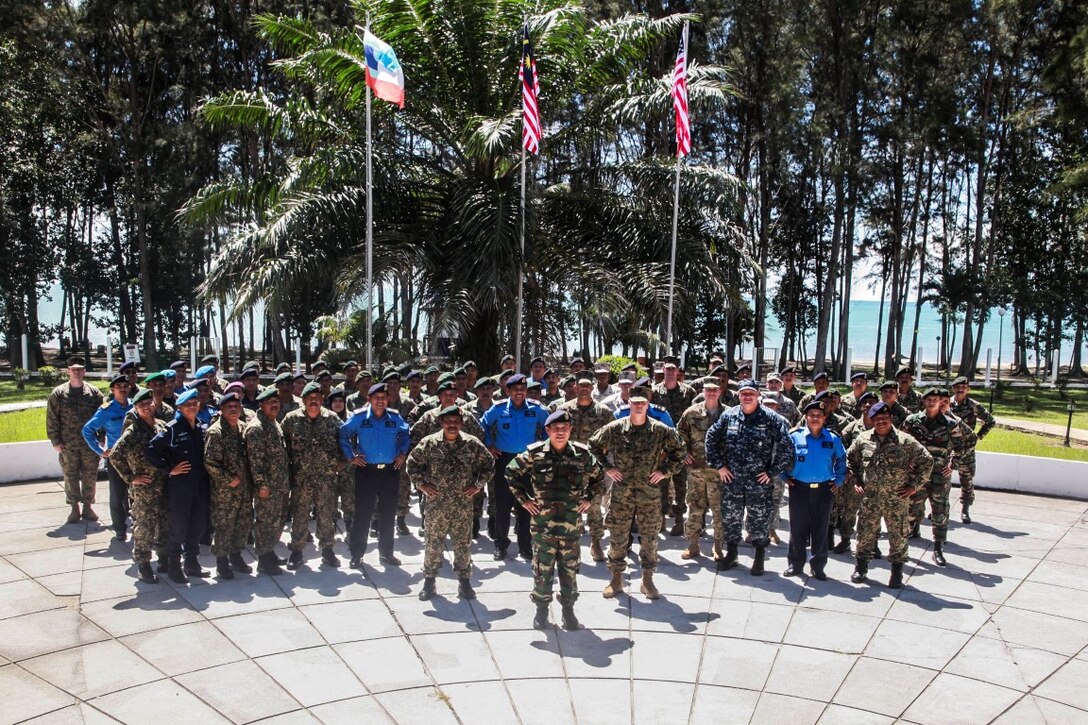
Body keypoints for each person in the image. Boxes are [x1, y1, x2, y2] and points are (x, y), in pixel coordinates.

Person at [508, 409, 604, 629]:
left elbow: (599, 478)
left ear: (570, 430)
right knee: (543, 569)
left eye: (565, 429)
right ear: (547, 430)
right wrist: (524, 500)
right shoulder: (534, 454)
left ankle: (568, 611)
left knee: (569, 569)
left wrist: (589, 498)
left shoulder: (582, 454)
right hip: (543, 526)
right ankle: (541, 610)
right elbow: (510, 472)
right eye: (556, 429)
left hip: (571, 525)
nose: (560, 433)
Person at [588, 384, 686, 600]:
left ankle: (647, 579)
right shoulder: (615, 428)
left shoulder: (660, 430)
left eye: (643, 403)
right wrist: (608, 467)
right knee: (617, 537)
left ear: (648, 404)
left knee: (650, 538)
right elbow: (592, 446)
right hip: (621, 495)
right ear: (629, 404)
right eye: (635, 403)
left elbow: (680, 450)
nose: (639, 406)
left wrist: (665, 471)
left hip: (649, 495)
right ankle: (615, 579)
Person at [706, 380, 795, 576]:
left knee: (759, 521)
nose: (747, 396)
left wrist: (772, 472)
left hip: (758, 483)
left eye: (751, 393)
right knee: (731, 520)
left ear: (758, 396)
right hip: (732, 481)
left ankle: (759, 557)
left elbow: (787, 447)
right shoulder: (729, 416)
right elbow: (711, 438)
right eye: (743, 393)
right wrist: (719, 466)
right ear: (738, 395)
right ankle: (732, 554)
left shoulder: (770, 418)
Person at [407, 405, 493, 601]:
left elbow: (489, 465)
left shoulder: (472, 444)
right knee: (433, 545)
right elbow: (411, 464)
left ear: (462, 423)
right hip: (436, 505)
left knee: (463, 545)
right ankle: (429, 582)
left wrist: (478, 485)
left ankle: (464, 583)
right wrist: (422, 485)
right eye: (448, 422)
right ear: (441, 423)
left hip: (463, 505)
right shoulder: (429, 443)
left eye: (456, 422)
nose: (452, 425)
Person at [848, 402, 933, 588]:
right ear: (872, 420)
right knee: (864, 534)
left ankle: (896, 573)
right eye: (877, 419)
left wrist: (914, 486)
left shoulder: (905, 441)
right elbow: (850, 460)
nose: (881, 422)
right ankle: (861, 567)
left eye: (884, 419)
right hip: (870, 498)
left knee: (898, 536)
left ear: (890, 419)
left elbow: (927, 461)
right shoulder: (863, 440)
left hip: (897, 498)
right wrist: (856, 481)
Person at [340, 382, 410, 569]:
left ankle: (386, 553)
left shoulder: (395, 418)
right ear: (369, 399)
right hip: (366, 471)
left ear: (388, 400)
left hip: (390, 472)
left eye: (384, 398)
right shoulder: (359, 418)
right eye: (376, 398)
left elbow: (405, 434)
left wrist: (403, 453)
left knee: (388, 514)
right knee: (362, 514)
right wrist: (350, 456)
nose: (380, 401)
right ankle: (357, 554)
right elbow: (343, 434)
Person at [146, 388, 211, 584]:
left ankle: (192, 562)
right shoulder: (172, 428)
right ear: (180, 408)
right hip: (181, 486)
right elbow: (151, 450)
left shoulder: (202, 426)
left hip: (200, 485)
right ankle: (174, 566)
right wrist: (169, 468)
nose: (192, 407)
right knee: (179, 527)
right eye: (187, 405)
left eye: (194, 404)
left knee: (197, 525)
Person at [480, 374, 547, 561]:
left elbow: (550, 427)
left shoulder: (537, 409)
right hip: (505, 460)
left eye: (523, 389)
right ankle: (501, 544)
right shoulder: (499, 409)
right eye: (515, 389)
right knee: (502, 505)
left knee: (527, 505)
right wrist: (489, 444)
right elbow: (483, 425)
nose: (519, 392)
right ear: (507, 391)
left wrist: (543, 446)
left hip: (528, 461)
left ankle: (525, 546)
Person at [901, 388, 968, 566]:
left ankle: (938, 548)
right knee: (910, 509)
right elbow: (901, 443)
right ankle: (903, 545)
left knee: (940, 512)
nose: (932, 403)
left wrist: (952, 465)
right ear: (924, 401)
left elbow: (961, 447)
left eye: (936, 400)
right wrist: (906, 462)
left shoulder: (950, 423)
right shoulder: (912, 421)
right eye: (929, 399)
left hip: (939, 476)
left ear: (941, 402)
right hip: (917, 476)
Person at [282, 382, 344, 570]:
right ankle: (297, 551)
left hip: (326, 479)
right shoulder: (291, 420)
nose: (314, 401)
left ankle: (327, 551)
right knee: (299, 516)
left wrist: (342, 461)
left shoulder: (333, 419)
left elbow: (347, 441)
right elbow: (282, 446)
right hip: (301, 479)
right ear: (303, 400)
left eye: (317, 398)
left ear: (322, 399)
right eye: (310, 398)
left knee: (326, 516)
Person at [782, 401, 847, 580]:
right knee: (797, 528)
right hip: (799, 488)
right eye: (811, 415)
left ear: (824, 418)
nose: (815, 418)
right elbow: (781, 455)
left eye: (819, 415)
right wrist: (784, 476)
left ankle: (818, 566)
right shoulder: (794, 436)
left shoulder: (832, 439)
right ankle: (795, 564)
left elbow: (842, 460)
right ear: (806, 417)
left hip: (824, 489)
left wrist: (839, 479)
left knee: (820, 528)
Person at [110, 389, 169, 582]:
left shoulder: (161, 426)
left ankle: (163, 559)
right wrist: (130, 477)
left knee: (163, 523)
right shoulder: (133, 431)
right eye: (141, 405)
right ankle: (143, 564)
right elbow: (115, 455)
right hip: (144, 488)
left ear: (153, 403)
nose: (146, 407)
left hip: (163, 484)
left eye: (148, 403)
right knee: (144, 526)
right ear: (135, 408)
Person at [556, 373, 614, 562]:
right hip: (569, 467)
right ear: (575, 388)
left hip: (593, 467)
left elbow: (612, 435)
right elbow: (554, 431)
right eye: (581, 386)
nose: (584, 389)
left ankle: (596, 542)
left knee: (595, 506)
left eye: (588, 386)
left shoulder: (603, 412)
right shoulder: (564, 410)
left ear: (592, 388)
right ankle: (572, 545)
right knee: (572, 506)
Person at [46, 357, 104, 524]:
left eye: (80, 369)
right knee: (70, 475)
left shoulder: (94, 393)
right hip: (68, 443)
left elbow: (101, 417)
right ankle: (74, 508)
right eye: (73, 369)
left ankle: (87, 507)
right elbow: (52, 418)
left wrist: (101, 438)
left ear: (84, 371)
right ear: (68, 372)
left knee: (90, 475)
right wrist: (55, 440)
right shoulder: (58, 394)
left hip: (89, 443)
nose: (77, 372)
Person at [203, 391, 253, 579]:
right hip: (225, 491)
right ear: (222, 410)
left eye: (236, 406)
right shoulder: (216, 432)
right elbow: (209, 462)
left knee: (242, 523)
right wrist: (227, 478)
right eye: (229, 407)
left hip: (244, 489)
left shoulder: (244, 428)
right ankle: (222, 561)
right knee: (224, 526)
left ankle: (236, 555)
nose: (233, 409)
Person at [676, 379, 727, 561]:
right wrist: (684, 453)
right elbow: (679, 435)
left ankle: (718, 546)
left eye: (714, 390)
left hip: (718, 473)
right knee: (695, 508)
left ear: (720, 391)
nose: (711, 393)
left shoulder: (728, 414)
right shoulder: (691, 413)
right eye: (708, 390)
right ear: (703, 391)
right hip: (696, 471)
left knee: (719, 509)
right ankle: (693, 545)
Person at [81, 375, 133, 540]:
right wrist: (100, 451)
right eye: (119, 387)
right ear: (113, 390)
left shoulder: (135, 406)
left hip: (135, 458)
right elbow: (87, 430)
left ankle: (138, 525)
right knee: (117, 495)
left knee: (137, 494)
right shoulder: (106, 410)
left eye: (125, 386)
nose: (123, 389)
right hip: (116, 459)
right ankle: (120, 528)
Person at [245, 388, 290, 575]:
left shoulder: (273, 422)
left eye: (276, 402)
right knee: (265, 522)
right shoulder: (257, 428)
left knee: (277, 521)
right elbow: (255, 462)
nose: (274, 405)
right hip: (267, 486)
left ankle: (269, 552)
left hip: (280, 483)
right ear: (261, 404)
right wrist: (262, 484)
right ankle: (263, 559)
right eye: (270, 402)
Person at [831, 392, 878, 556]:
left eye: (872, 403)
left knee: (873, 513)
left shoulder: (882, 428)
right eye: (865, 403)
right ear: (860, 406)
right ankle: (845, 540)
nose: (868, 405)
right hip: (853, 477)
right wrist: (846, 471)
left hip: (875, 478)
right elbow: (840, 450)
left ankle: (873, 543)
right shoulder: (851, 427)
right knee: (849, 511)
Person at [652, 360, 696, 537]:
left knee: (680, 484)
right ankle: (661, 518)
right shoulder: (654, 392)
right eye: (667, 369)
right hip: (662, 446)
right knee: (660, 483)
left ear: (677, 371)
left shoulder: (688, 392)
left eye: (673, 369)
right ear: (663, 370)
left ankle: (679, 519)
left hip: (681, 446)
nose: (670, 371)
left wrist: (688, 449)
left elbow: (692, 421)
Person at [949, 376, 995, 523]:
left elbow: (990, 421)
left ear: (968, 389)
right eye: (957, 387)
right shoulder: (946, 403)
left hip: (966, 448)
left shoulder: (974, 406)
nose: (960, 389)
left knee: (966, 480)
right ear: (953, 388)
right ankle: (941, 508)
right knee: (942, 479)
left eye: (964, 387)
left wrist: (978, 436)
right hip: (948, 447)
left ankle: (965, 510)